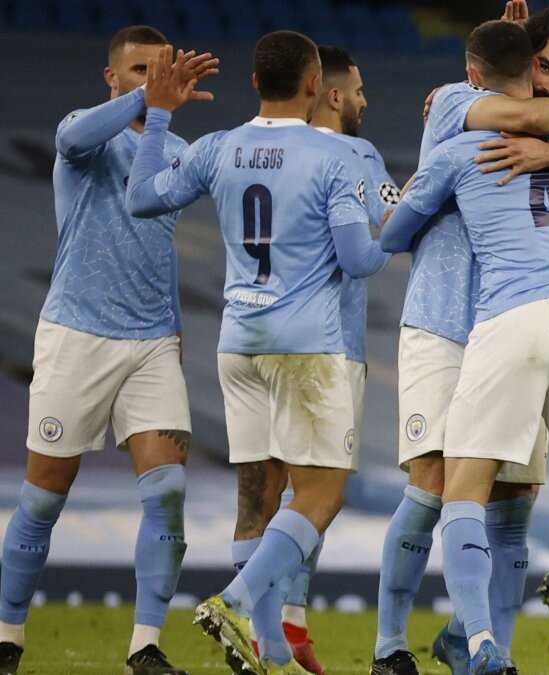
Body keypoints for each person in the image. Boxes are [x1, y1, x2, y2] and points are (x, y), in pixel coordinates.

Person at [372, 10, 549, 675]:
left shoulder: (501, 139)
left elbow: (391, 234)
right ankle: (395, 647)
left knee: (487, 495)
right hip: (500, 317)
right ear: (527, 65)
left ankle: (483, 645)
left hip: (508, 319)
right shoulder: (469, 108)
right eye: (547, 68)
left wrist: (391, 205)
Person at [125, 31, 389, 674]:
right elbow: (358, 261)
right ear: (313, 85)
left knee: (257, 499)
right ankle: (236, 601)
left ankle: (270, 651)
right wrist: (393, 232)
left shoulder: (217, 147)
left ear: (254, 84)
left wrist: (157, 116)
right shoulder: (337, 156)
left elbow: (141, 197)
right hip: (307, 347)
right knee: (321, 495)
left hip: (238, 342)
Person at [0, 26, 216, 675]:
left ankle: (144, 647)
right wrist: (151, 99)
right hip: (77, 334)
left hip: (151, 343)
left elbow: (161, 244)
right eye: (139, 71)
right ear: (111, 78)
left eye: (159, 70)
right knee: (45, 495)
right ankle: (7, 636)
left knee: (168, 491)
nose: (151, 80)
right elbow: (71, 140)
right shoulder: (84, 134)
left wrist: (174, 324)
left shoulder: (174, 151)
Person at [258, 44, 398, 675]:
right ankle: (268, 618)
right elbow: (393, 218)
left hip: (256, 336)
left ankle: (285, 623)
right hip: (330, 346)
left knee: (277, 490)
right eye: (359, 90)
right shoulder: (356, 156)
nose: (366, 100)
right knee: (319, 493)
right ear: (334, 94)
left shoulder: (264, 147)